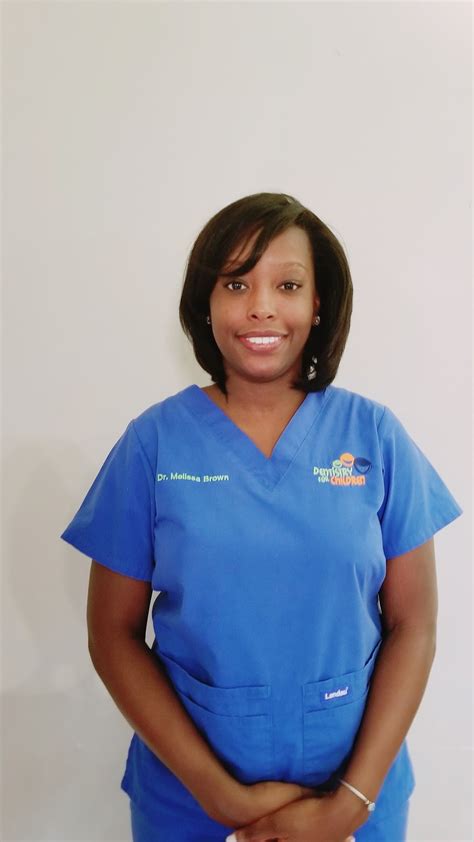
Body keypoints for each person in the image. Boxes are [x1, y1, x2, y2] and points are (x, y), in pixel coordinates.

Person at [60, 192, 463, 842]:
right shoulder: (153, 444)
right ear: (206, 302)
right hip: (190, 800)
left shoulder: (374, 436)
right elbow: (112, 634)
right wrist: (217, 795)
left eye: (288, 285)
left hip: (356, 791)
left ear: (318, 303)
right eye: (236, 283)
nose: (261, 306)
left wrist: (349, 805)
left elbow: (414, 625)